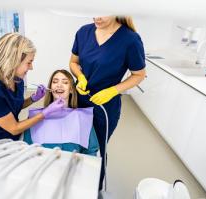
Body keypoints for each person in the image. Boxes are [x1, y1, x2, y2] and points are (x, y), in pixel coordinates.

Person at [69, 16, 146, 189]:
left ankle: (92, 188)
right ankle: (74, 183)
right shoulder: (84, 32)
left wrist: (113, 91)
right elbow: (73, 62)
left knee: (96, 150)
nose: (97, 16)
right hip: (78, 101)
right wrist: (80, 77)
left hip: (104, 108)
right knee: (75, 143)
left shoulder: (130, 40)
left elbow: (139, 75)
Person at [0, 33, 65, 141]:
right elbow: (14, 128)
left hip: (11, 137)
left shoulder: (16, 79)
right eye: (29, 63)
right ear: (13, 61)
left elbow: (13, 106)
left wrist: (33, 99)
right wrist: (45, 112)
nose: (31, 67)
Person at [23, 69, 99, 155]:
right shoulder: (35, 117)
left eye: (65, 82)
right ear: (50, 88)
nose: (59, 85)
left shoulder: (82, 117)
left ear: (71, 89)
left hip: (72, 167)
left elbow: (91, 152)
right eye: (55, 82)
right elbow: (27, 150)